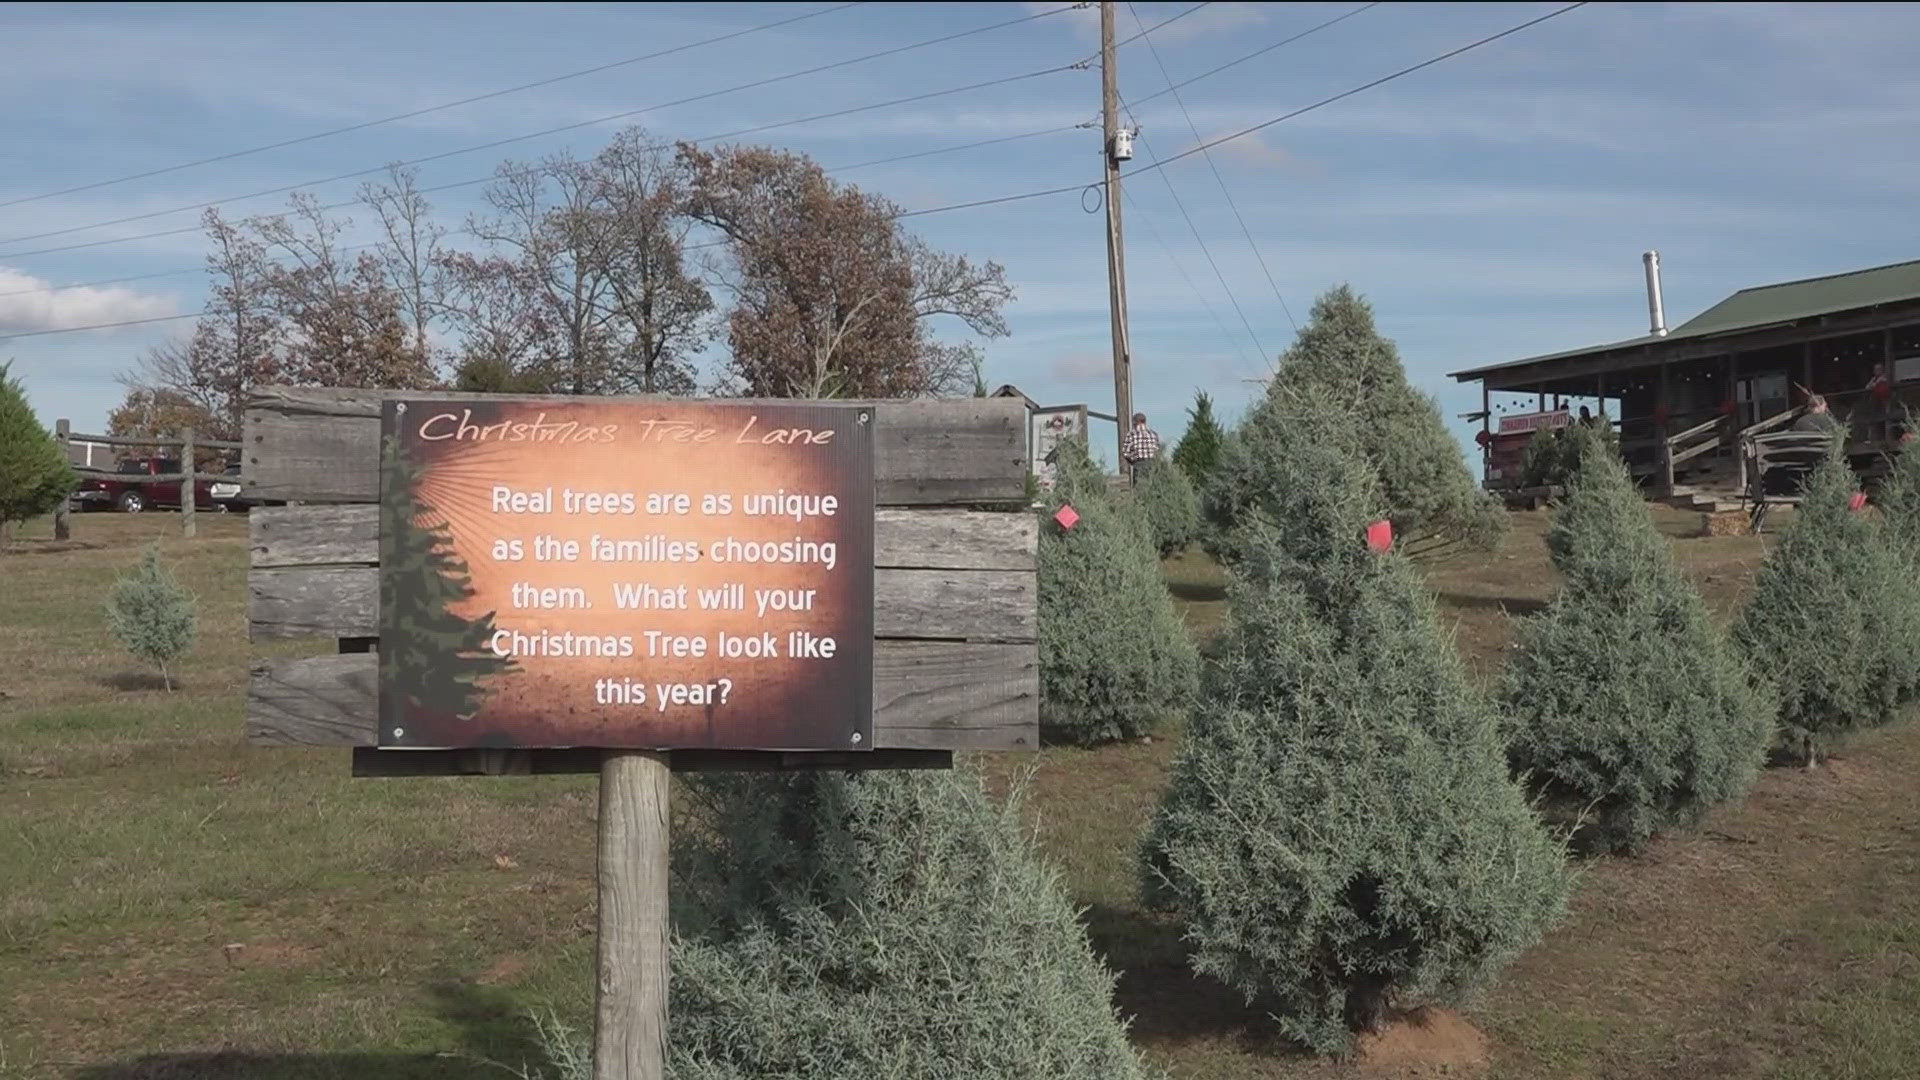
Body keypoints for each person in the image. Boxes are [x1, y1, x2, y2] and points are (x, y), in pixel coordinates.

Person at [1122, 412, 1160, 485]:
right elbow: (1157, 450)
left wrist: (1132, 460)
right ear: (1145, 422)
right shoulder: (1154, 434)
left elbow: (1125, 452)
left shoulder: (1131, 434)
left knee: (1139, 487)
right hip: (1152, 464)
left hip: (1139, 463)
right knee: (1151, 486)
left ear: (1135, 422)